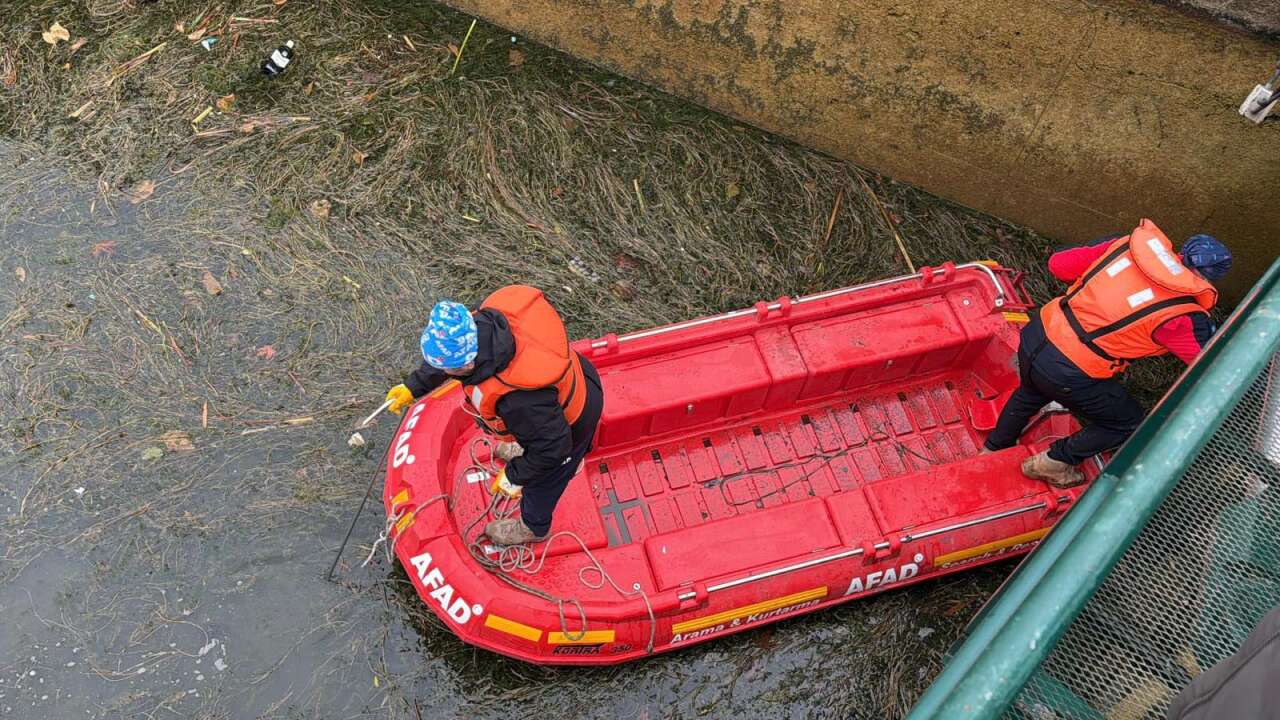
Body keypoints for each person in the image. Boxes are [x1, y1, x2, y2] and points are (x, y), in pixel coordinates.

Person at [984, 219, 1231, 487]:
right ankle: (1054, 462)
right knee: (1128, 423)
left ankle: (994, 447)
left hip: (1038, 334)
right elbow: (1212, 363)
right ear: (1209, 277)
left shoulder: (1124, 246)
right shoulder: (1181, 316)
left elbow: (1059, 265)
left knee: (1031, 390)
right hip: (1069, 370)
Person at [384, 285, 604, 545]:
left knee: (544, 480)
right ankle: (527, 453)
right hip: (565, 392)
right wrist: (413, 386)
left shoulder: (518, 400)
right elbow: (446, 359)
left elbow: (554, 446)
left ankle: (533, 528)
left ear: (467, 365)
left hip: (571, 423)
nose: (442, 370)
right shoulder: (480, 324)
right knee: (535, 439)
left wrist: (515, 475)